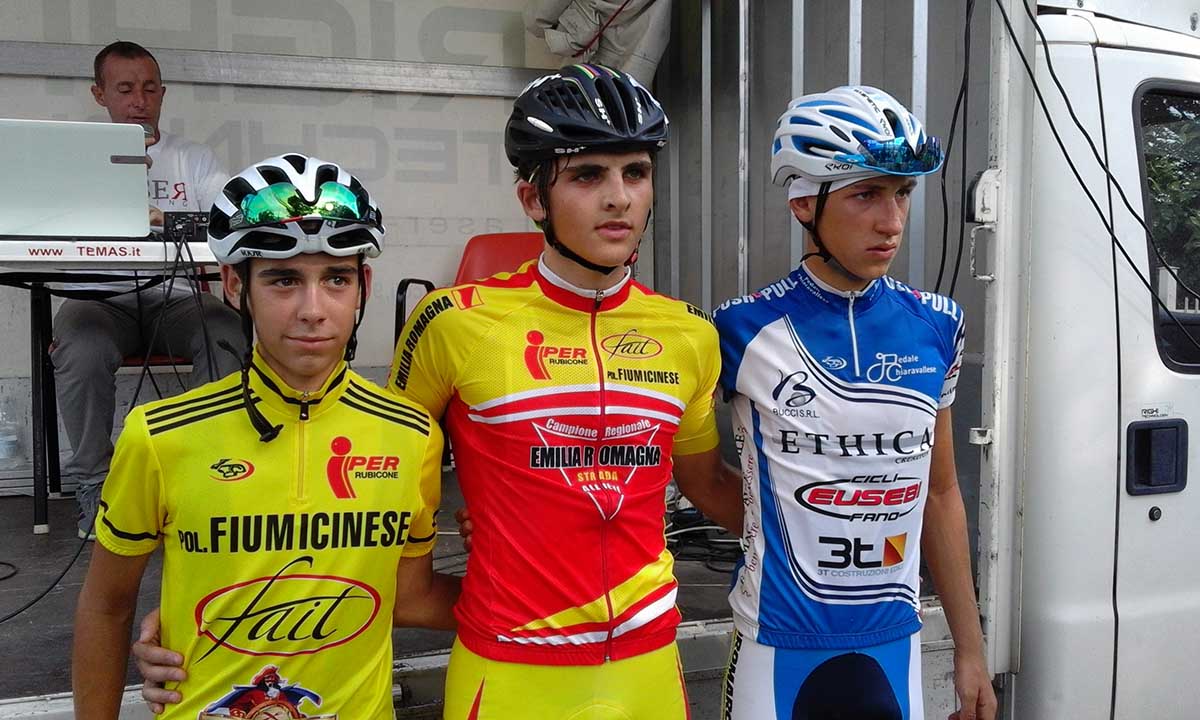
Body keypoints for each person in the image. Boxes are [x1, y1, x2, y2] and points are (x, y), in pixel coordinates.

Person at [131, 64, 743, 718]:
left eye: (636, 172)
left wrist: (809, 567)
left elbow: (708, 484)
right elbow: (353, 462)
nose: (619, 197)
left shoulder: (688, 332)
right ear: (532, 198)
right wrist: (200, 618)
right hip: (507, 665)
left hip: (650, 663)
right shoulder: (454, 322)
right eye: (588, 175)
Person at [71, 154, 457, 720]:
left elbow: (413, 598)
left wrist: (562, 602)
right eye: (283, 279)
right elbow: (106, 606)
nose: (312, 310)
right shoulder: (159, 436)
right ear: (235, 285)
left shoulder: (413, 434)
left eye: (336, 278)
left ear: (363, 286)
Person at [713, 85, 997, 720]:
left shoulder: (938, 324)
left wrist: (971, 649)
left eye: (903, 192)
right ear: (803, 203)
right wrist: (772, 534)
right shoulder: (739, 328)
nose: (891, 221)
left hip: (893, 643)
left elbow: (940, 493)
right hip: (774, 641)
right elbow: (696, 474)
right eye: (866, 194)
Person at [53, 40, 244, 539]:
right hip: (97, 298)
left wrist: (167, 220)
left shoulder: (194, 158)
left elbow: (231, 220)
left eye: (149, 88)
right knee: (80, 345)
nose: (140, 100)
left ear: (163, 92)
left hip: (175, 297)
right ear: (99, 94)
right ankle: (95, 487)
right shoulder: (70, 157)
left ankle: (209, 472)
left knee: (224, 330)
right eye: (125, 89)